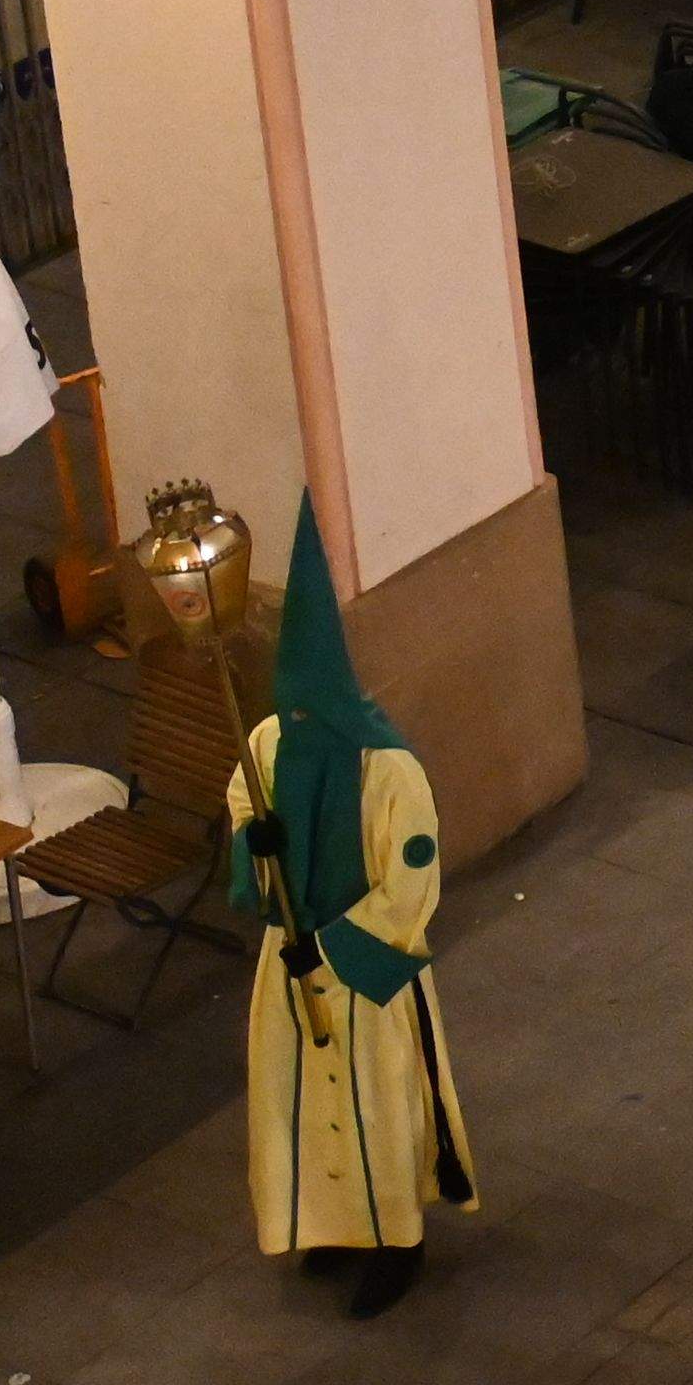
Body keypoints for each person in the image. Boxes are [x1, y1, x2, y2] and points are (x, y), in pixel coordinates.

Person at [231, 516, 478, 1316]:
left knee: (378, 1105)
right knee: (297, 1102)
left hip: (364, 977)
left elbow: (411, 884)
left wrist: (332, 955)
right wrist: (254, 842)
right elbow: (243, 802)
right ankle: (331, 1226)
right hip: (290, 957)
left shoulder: (390, 771)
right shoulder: (268, 744)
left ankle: (396, 1240)